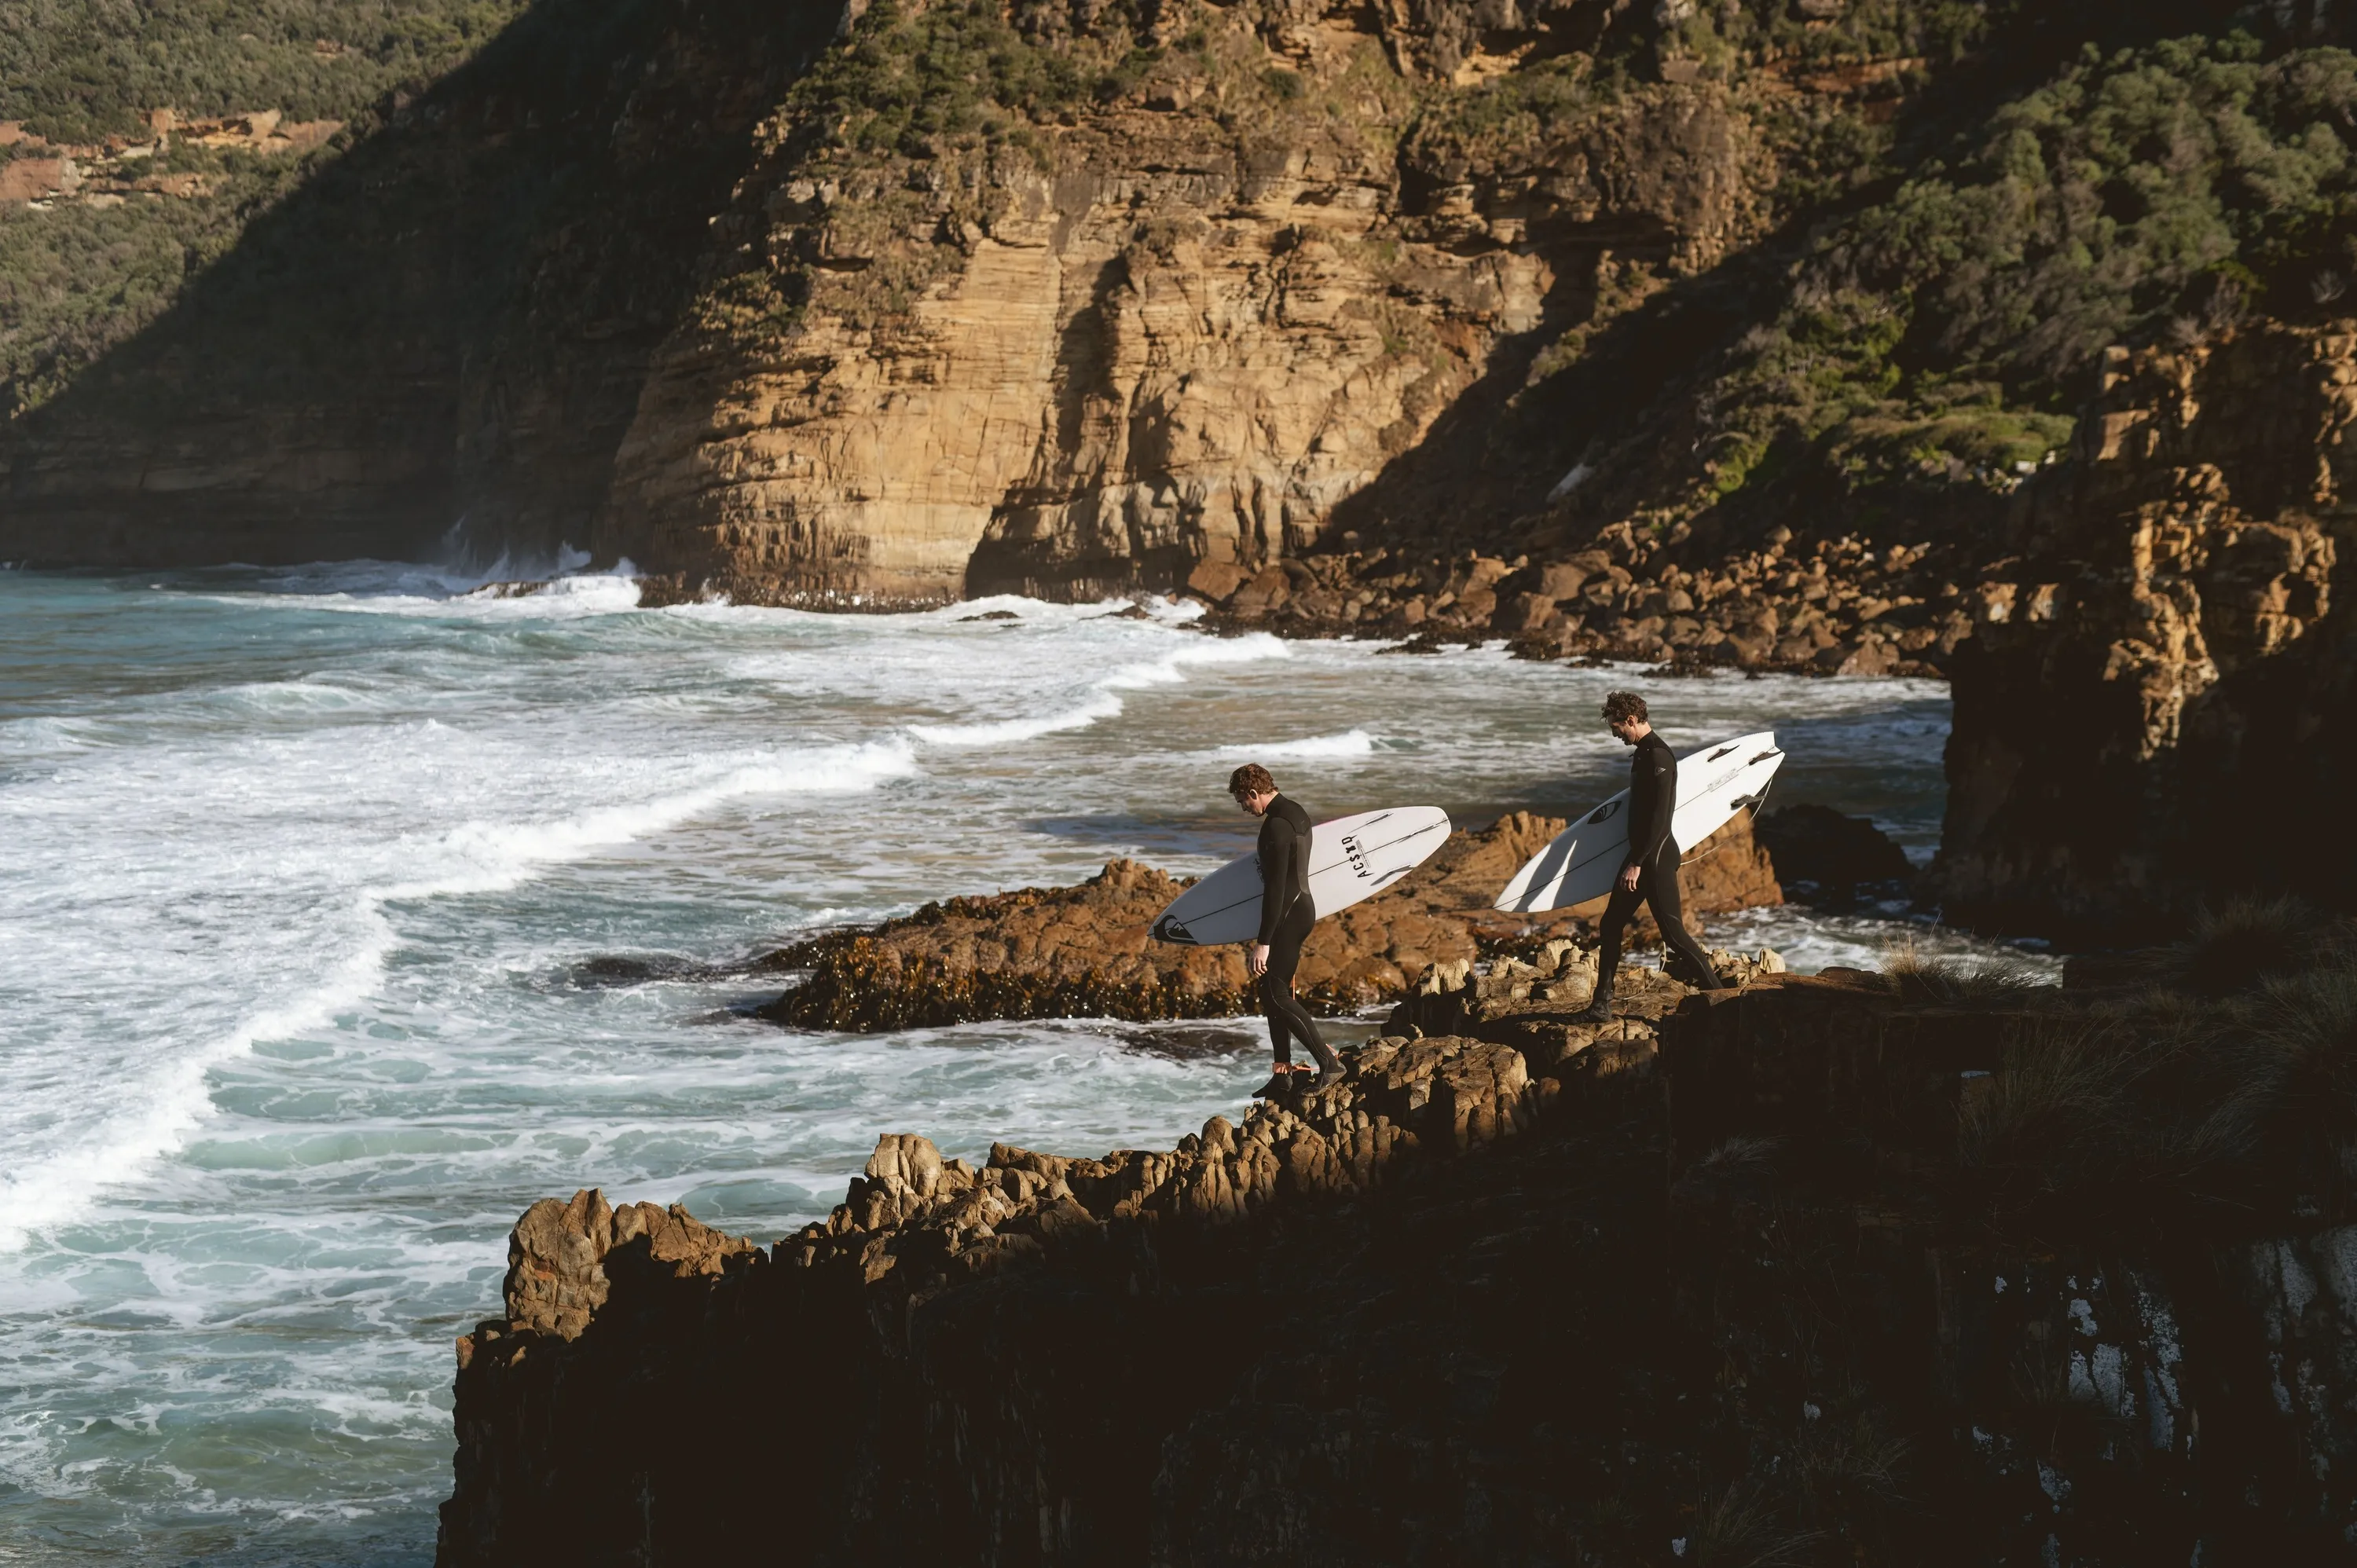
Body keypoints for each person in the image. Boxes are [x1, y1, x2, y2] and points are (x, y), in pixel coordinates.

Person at [1575, 692, 1727, 1022]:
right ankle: (1601, 1006)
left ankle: (1722, 1001)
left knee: (1674, 934)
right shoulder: (1643, 754)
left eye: (1617, 727)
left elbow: (1660, 818)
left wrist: (1637, 862)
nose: (1616, 734)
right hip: (1643, 854)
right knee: (1611, 923)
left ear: (1631, 720)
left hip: (1653, 857)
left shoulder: (1659, 755)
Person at [1229, 763, 1343, 1097]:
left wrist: (1263, 942)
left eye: (1242, 802)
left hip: (1288, 913)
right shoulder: (1296, 812)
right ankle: (1283, 1074)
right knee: (1271, 995)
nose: (1243, 808)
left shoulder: (1276, 826)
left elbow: (1275, 889)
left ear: (1254, 793)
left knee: (1277, 996)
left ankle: (1329, 1062)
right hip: (1300, 906)